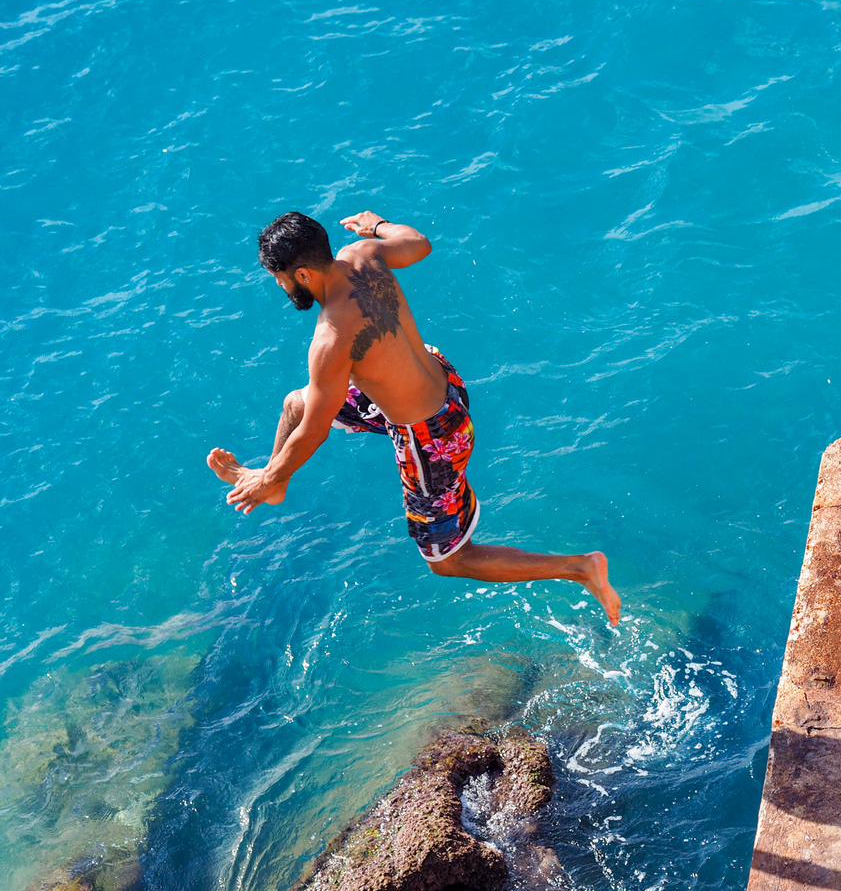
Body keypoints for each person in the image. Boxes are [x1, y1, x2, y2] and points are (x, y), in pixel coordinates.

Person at [206, 211, 620, 625]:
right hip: (445, 382)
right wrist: (378, 225)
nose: (280, 286)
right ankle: (277, 485)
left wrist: (265, 476)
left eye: (279, 278)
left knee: (448, 560)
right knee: (296, 404)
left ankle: (579, 567)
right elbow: (419, 243)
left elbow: (315, 431)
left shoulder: (331, 339)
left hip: (432, 440)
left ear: (301, 273)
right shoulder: (363, 253)